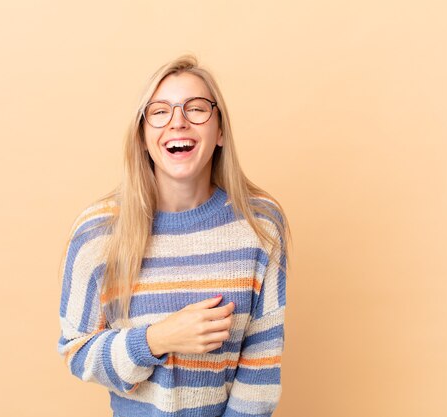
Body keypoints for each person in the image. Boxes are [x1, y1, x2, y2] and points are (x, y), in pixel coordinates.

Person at [57, 54, 290, 417]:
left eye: (196, 109)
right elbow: (78, 353)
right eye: (160, 111)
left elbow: (260, 373)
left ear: (221, 132)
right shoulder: (98, 232)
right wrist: (158, 338)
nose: (177, 122)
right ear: (143, 135)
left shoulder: (260, 225)